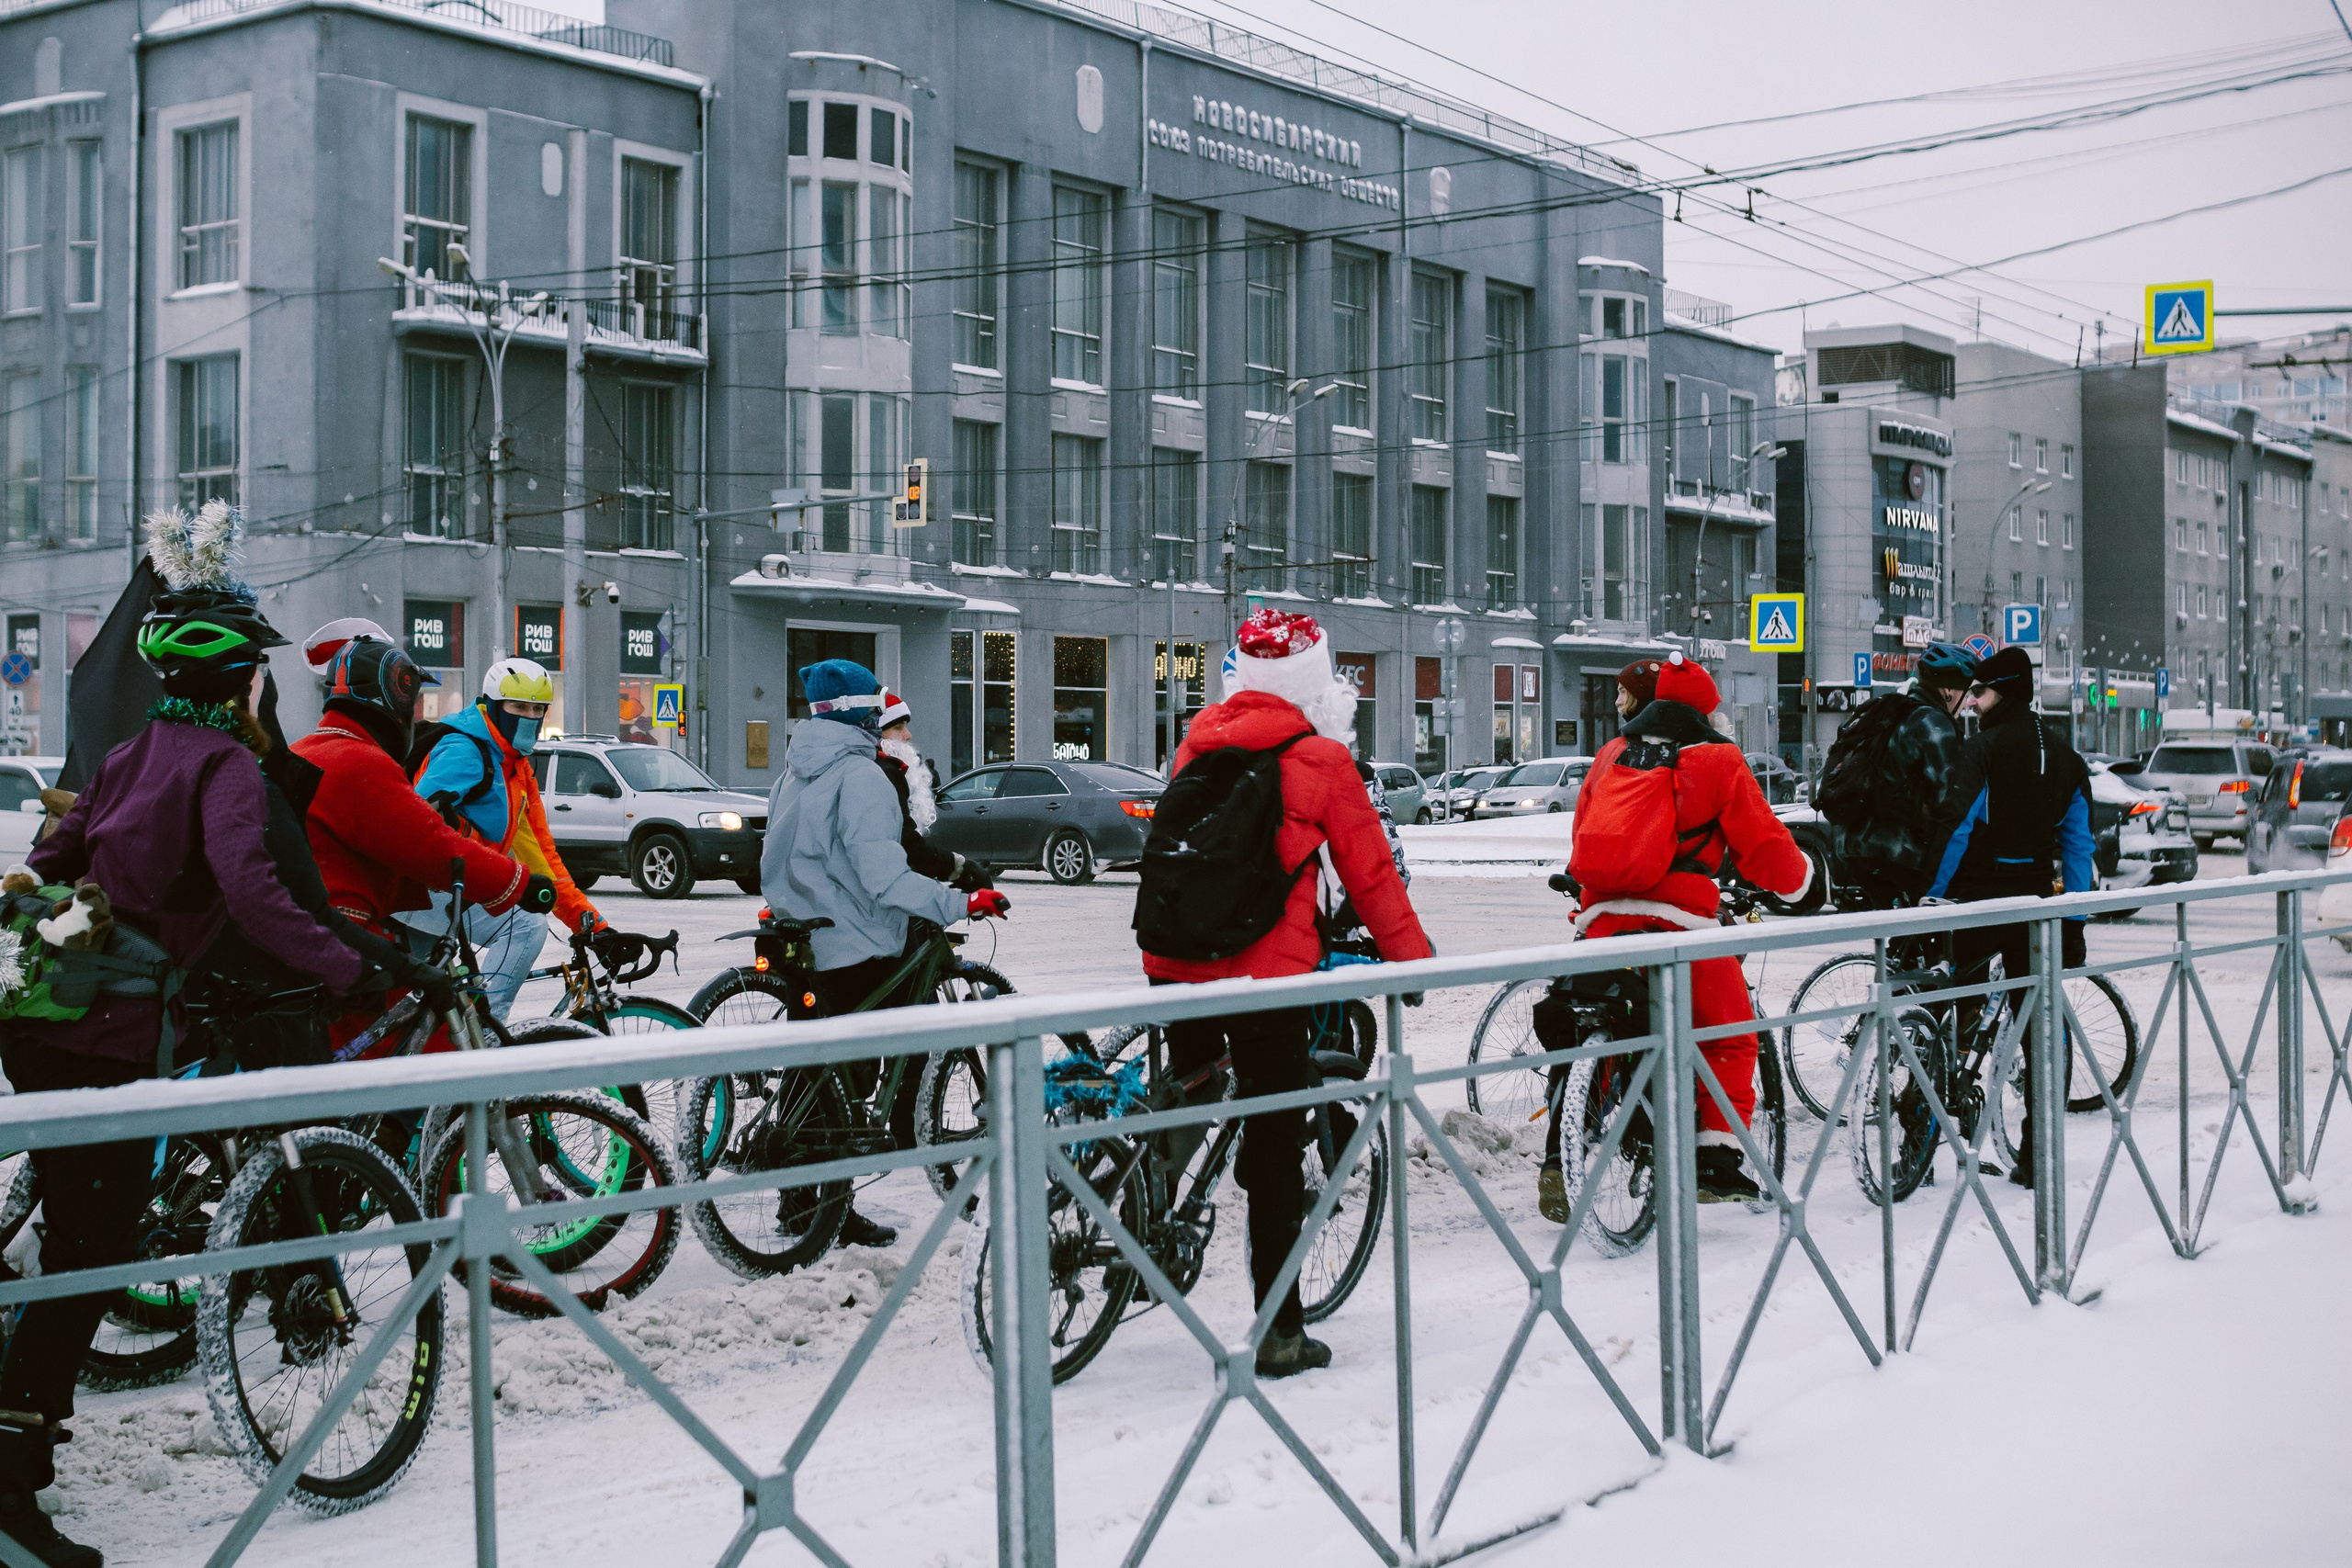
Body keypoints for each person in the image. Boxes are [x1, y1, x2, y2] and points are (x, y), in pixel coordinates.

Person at [0, 518, 369, 1567]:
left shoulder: (128, 754)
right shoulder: (223, 770)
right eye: (259, 676)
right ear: (239, 683)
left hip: (48, 1022)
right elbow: (253, 893)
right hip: (113, 1037)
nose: (265, 694)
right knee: (86, 1257)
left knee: (79, 1235)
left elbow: (55, 849)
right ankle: (13, 1485)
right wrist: (351, 966)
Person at [1140, 610, 1432, 1379]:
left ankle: (1147, 1186)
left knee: (1194, 1078)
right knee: (1276, 1143)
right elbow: (1370, 877)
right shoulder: (1321, 756)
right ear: (1315, 680)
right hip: (1265, 977)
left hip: (1170, 961)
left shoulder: (1198, 739)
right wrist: (1415, 964)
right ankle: (1280, 1331)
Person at [1540, 652, 1813, 1221]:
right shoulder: (1717, 760)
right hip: (1679, 927)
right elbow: (1762, 845)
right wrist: (1799, 883)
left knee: (1594, 1021)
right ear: (1706, 711)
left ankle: (1558, 1154)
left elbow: (1584, 831)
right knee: (1731, 1036)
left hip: (1603, 920)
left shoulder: (1613, 754)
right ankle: (1713, 1158)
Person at [761, 660, 1009, 1249]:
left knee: (815, 1073)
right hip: (857, 941)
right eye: (877, 707)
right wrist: (960, 902)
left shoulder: (793, 773)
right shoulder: (863, 777)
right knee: (855, 1075)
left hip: (803, 937)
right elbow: (885, 878)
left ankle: (807, 1210)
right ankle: (880, 1156)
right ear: (862, 711)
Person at [292, 624, 556, 1053]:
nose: (415, 715)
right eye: (412, 703)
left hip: (324, 936)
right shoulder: (360, 762)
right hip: (347, 946)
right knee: (438, 1060)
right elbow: (429, 842)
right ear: (392, 701)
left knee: (419, 1019)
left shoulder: (308, 748)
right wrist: (518, 882)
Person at [1926, 646, 2096, 1187]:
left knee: (1954, 1009)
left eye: (1980, 691)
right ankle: (2039, 1153)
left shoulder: (1985, 749)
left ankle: (1925, 1133)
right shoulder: (2066, 756)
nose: (1972, 701)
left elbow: (1956, 827)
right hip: (2035, 907)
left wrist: (1930, 897)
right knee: (2040, 1027)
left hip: (1980, 901)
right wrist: (2074, 921)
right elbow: (2079, 846)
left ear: (2007, 691)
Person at [405, 658, 602, 1019]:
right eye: (518, 707)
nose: (529, 716)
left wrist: (590, 923)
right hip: (419, 888)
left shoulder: (515, 765)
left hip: (445, 888)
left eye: (537, 709)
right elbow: (412, 822)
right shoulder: (467, 751)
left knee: (422, 1011)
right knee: (525, 925)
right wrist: (478, 853)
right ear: (492, 706)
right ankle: (489, 1039)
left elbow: (539, 854)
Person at [1818, 641, 1975, 910]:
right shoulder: (1932, 722)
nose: (1969, 701)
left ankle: (1895, 954)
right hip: (1897, 852)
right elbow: (1951, 800)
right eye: (1966, 691)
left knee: (1901, 935)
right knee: (1937, 924)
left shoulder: (1890, 710)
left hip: (1853, 846)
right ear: (1949, 690)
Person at [872, 689, 988, 894]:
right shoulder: (886, 772)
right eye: (898, 727)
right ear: (876, 733)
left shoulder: (884, 770)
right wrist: (956, 867)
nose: (908, 735)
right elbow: (904, 841)